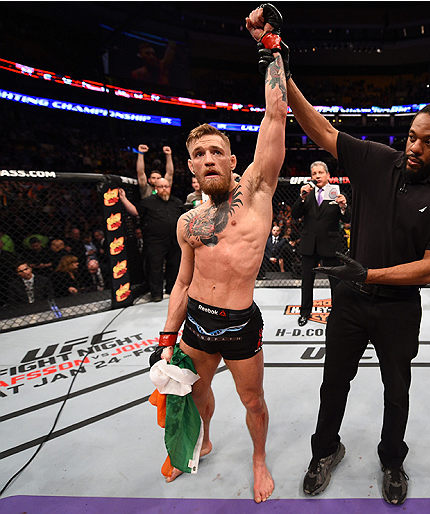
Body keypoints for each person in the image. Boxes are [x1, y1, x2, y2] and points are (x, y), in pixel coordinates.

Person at [282, 36, 430, 502]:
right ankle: (325, 450)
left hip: (397, 306)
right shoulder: (377, 160)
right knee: (334, 382)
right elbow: (322, 132)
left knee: (396, 389)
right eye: (412, 136)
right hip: (350, 301)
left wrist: (368, 275)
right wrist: (283, 79)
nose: (414, 147)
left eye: (428, 143)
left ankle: (392, 461)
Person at [149, 6, 287, 502]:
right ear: (191, 167)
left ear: (233, 158)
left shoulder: (257, 191)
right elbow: (182, 283)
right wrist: (167, 335)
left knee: (253, 400)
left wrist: (269, 50)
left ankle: (258, 459)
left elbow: (275, 115)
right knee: (195, 393)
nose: (209, 159)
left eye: (217, 151)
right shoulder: (188, 223)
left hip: (240, 321)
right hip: (197, 324)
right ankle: (203, 440)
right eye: (200, 155)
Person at [291, 160, 351, 325]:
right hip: (309, 244)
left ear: (328, 175)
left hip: (330, 245)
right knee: (307, 282)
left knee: (335, 282)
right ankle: (305, 312)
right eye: (314, 174)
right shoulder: (307, 194)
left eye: (320, 173)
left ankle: (339, 313)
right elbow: (295, 215)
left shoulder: (336, 193)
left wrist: (343, 206)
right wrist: (301, 198)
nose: (317, 176)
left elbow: (347, 218)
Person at [119, 177, 185, 301]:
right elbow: (135, 211)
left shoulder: (176, 202)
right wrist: (123, 199)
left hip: (174, 240)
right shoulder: (148, 201)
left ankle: (172, 289)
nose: (164, 189)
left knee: (174, 265)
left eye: (166, 186)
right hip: (155, 241)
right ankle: (156, 294)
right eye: (161, 187)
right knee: (155, 267)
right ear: (156, 188)